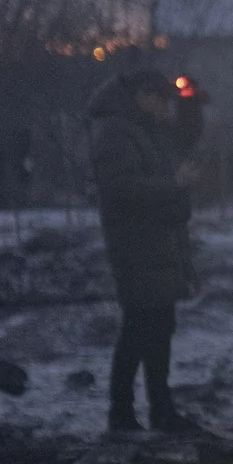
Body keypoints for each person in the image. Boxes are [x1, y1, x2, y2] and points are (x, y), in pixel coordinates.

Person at [88, 69, 206, 435]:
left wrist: (191, 104)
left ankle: (159, 410)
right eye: (161, 100)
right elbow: (122, 191)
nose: (165, 109)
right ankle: (123, 414)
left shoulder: (144, 128)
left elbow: (184, 137)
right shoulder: (115, 133)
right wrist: (174, 184)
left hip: (157, 243)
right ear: (142, 95)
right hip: (136, 245)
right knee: (139, 329)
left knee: (159, 327)